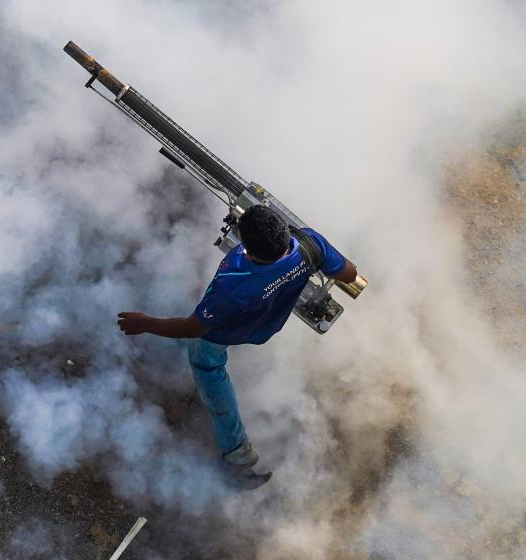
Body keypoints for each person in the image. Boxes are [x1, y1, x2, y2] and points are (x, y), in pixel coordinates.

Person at [117, 204, 358, 489]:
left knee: (207, 366)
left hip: (224, 332)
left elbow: (192, 327)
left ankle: (237, 456)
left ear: (251, 251)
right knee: (202, 330)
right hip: (266, 325)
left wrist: (145, 323)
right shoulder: (309, 242)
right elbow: (350, 275)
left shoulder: (234, 284)